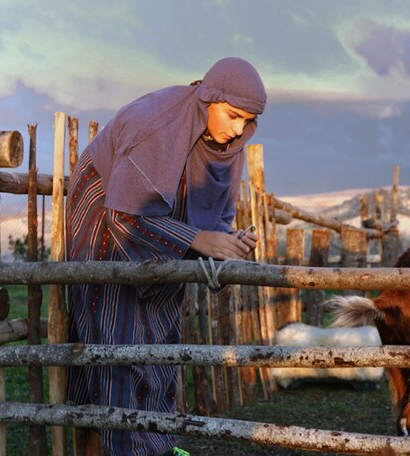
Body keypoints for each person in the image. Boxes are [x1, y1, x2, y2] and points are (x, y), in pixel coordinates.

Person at [66, 57, 266, 455]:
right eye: (231, 115)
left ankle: (152, 447)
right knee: (116, 342)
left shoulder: (229, 143)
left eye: (247, 120)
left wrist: (227, 240)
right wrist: (199, 239)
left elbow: (215, 216)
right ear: (209, 97)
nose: (237, 129)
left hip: (165, 230)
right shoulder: (156, 124)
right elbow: (123, 213)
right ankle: (121, 446)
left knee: (159, 338)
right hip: (108, 215)